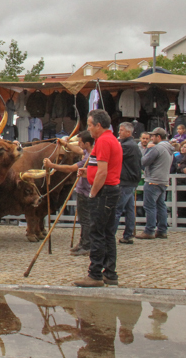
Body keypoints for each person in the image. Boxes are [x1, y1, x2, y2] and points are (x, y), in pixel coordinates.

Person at [74, 109, 122, 288]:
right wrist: (88, 172)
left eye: (90, 125)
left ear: (98, 126)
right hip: (112, 189)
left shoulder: (102, 141)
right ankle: (110, 272)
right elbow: (101, 168)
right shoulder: (112, 139)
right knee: (108, 233)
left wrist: (93, 193)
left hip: (104, 192)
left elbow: (102, 172)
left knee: (97, 233)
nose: (89, 129)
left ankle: (94, 274)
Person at [45, 131, 93, 256]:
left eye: (81, 142)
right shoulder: (87, 151)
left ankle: (87, 245)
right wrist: (65, 144)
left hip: (87, 191)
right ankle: (83, 243)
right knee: (82, 219)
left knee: (86, 219)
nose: (79, 144)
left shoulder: (90, 157)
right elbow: (77, 150)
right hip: (83, 189)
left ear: (87, 143)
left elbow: (71, 168)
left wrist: (52, 165)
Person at [136, 128, 174, 239]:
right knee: (161, 205)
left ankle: (149, 230)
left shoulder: (157, 148)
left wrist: (146, 151)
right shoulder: (168, 148)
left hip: (153, 180)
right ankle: (162, 230)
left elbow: (144, 161)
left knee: (149, 206)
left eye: (153, 136)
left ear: (158, 137)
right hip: (163, 180)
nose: (151, 139)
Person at [115, 122, 142, 244]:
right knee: (130, 208)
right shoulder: (132, 144)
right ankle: (128, 234)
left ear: (128, 132)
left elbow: (115, 155)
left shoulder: (127, 146)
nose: (119, 132)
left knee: (117, 209)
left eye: (121, 130)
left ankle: (110, 235)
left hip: (125, 180)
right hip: (130, 180)